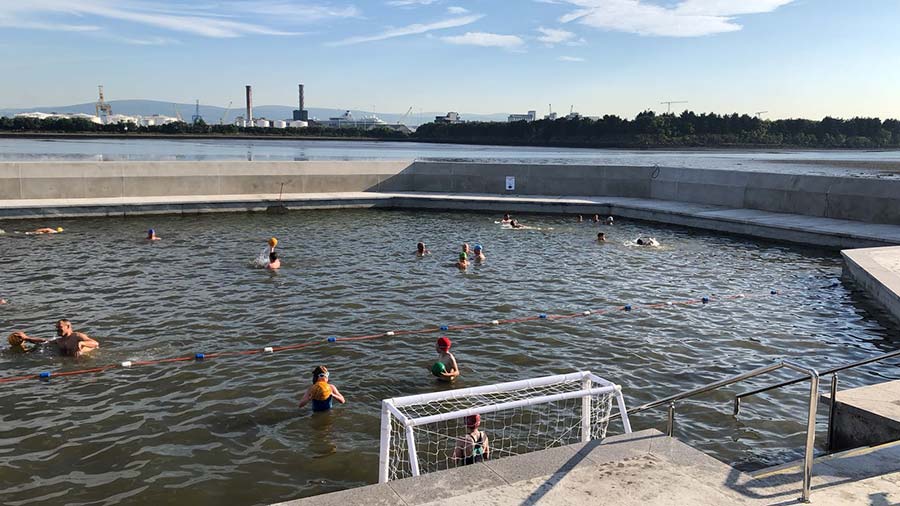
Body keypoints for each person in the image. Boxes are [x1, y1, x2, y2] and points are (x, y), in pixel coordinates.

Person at [12, 319, 99, 357]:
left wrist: (82, 343)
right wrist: (26, 338)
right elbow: (43, 341)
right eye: (56, 327)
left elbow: (95, 343)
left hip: (84, 360)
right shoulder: (59, 341)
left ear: (68, 326)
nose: (57, 329)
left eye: (60, 327)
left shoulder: (77, 336)